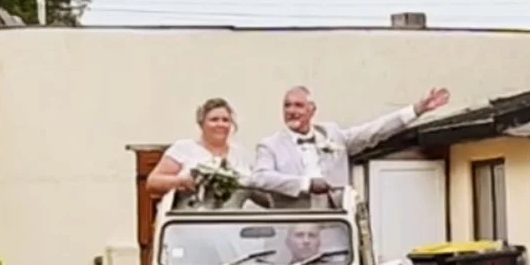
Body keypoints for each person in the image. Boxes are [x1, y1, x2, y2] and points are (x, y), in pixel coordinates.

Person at [251, 84, 452, 208]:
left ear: (312, 110)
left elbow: (374, 131)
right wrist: (306, 184)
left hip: (336, 232)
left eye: (298, 105)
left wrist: (416, 110)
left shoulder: (332, 134)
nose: (291, 111)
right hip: (292, 236)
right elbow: (260, 178)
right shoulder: (270, 145)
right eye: (287, 105)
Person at [143, 97, 246, 219]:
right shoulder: (184, 148)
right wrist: (182, 181)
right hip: (189, 219)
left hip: (230, 221)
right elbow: (152, 182)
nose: (220, 124)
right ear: (201, 123)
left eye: (225, 120)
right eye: (214, 120)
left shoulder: (240, 153)